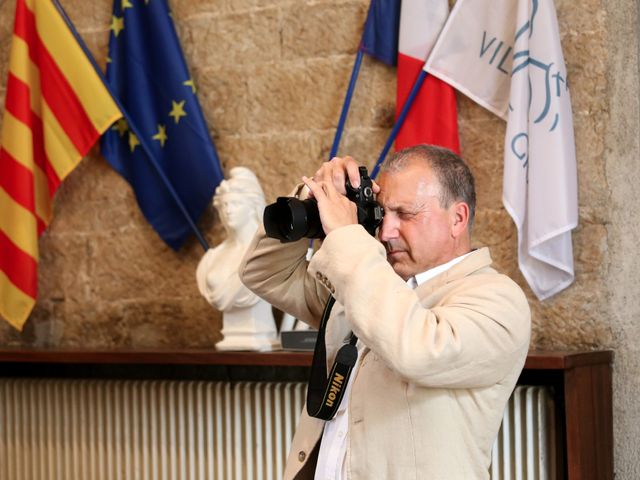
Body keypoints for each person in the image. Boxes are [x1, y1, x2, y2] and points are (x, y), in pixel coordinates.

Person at [240, 145, 531, 479]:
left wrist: (347, 236)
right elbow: (262, 273)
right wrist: (315, 196)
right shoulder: (366, 282)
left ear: (458, 218)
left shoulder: (498, 300)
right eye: (382, 213)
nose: (387, 232)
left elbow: (417, 350)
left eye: (405, 214)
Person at [196, 166, 277, 351]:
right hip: (230, 337)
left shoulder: (267, 254)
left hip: (260, 334)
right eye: (224, 205)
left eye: (235, 204)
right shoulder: (212, 258)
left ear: (252, 207)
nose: (228, 211)